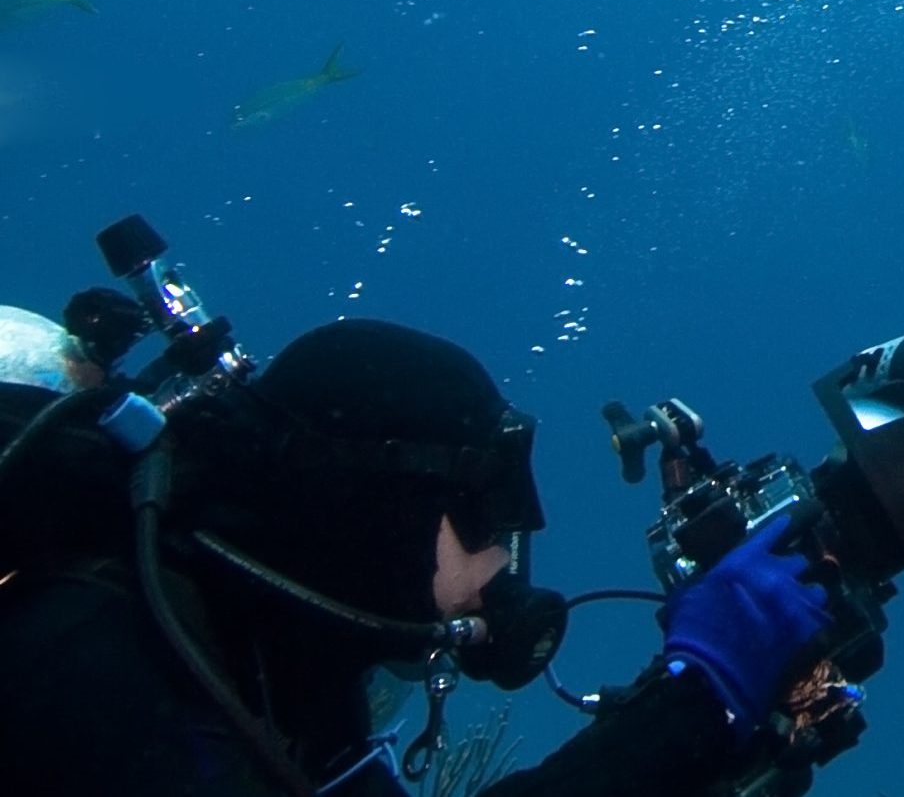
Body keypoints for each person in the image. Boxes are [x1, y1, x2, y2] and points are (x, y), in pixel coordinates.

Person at [0, 316, 835, 796]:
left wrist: (708, 735)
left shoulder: (277, 663)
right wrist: (681, 717)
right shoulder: (93, 675)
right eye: (482, 510)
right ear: (372, 515)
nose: (507, 559)